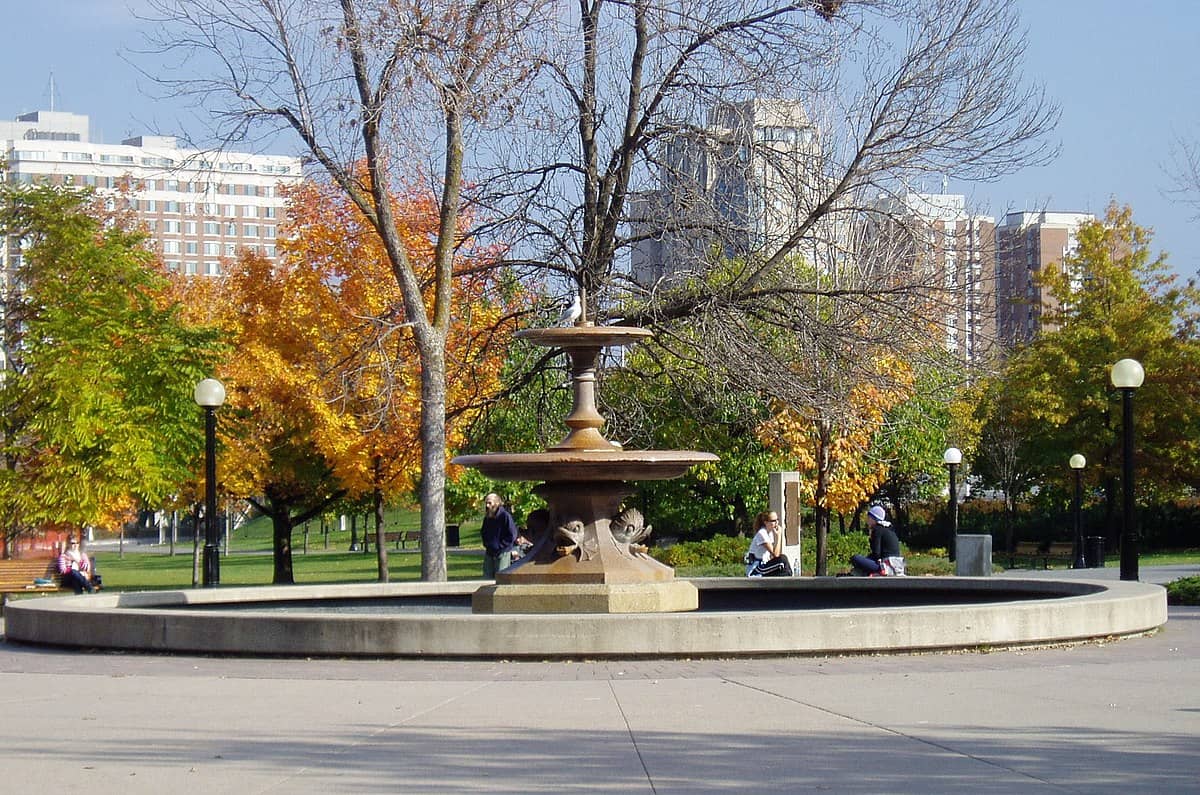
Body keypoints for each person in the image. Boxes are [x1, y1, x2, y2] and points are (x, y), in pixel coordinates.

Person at [849, 505, 905, 576]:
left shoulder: (877, 530)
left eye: (869, 518)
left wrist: (871, 538)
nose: (867, 520)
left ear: (874, 519)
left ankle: (874, 573)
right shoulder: (889, 528)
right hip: (896, 565)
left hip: (885, 566)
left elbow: (876, 553)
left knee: (855, 558)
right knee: (866, 560)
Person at [480, 492, 519, 578]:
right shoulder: (487, 518)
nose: (487, 505)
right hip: (489, 552)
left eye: (489, 503)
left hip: (502, 552)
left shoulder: (505, 516)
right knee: (487, 577)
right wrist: (487, 544)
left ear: (497, 503)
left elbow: (512, 534)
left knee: (501, 577)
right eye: (486, 503)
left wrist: (501, 546)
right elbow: (483, 532)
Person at [745, 511, 793, 577]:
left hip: (764, 565)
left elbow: (773, 556)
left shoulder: (769, 533)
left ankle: (789, 583)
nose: (777, 523)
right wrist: (779, 536)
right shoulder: (762, 533)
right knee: (782, 559)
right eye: (773, 521)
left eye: (777, 520)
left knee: (782, 566)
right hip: (756, 569)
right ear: (766, 522)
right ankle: (790, 583)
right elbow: (775, 554)